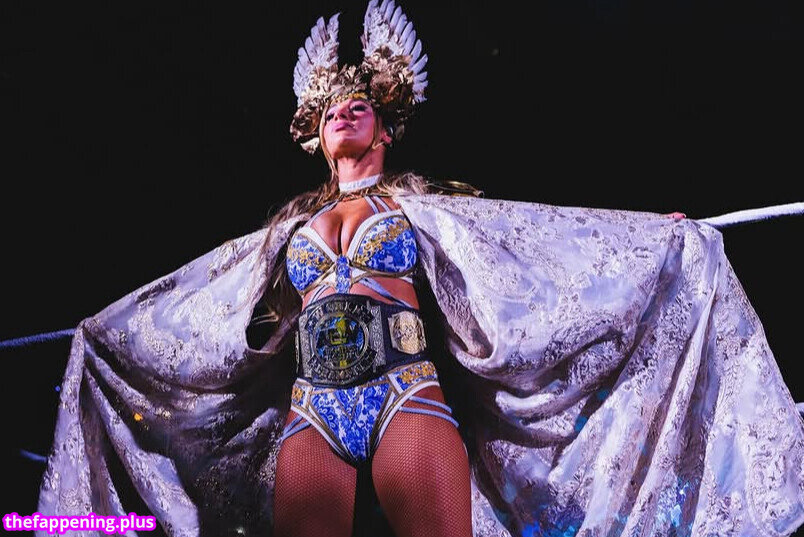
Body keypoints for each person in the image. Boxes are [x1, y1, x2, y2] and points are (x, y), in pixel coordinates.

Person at [36, 2, 804, 536]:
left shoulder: (423, 206)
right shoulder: (286, 230)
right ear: (315, 134)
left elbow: (537, 246)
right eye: (331, 108)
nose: (344, 111)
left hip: (405, 390)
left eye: (359, 104)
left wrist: (657, 238)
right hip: (314, 407)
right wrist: (112, 333)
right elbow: (213, 306)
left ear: (386, 125)